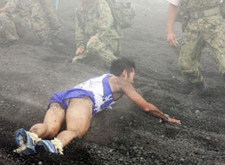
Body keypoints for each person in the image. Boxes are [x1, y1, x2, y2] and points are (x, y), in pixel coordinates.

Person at [14, 58, 181, 155]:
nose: (133, 80)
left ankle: (30, 138)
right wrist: (165, 117)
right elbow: (145, 107)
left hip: (62, 97)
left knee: (49, 128)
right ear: (125, 72)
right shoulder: (121, 82)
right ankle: (54, 146)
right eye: (133, 75)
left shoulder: (103, 79)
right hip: (83, 99)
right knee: (75, 131)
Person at [166, 0, 225, 93]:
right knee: (186, 66)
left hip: (215, 24)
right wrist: (170, 32)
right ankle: (202, 89)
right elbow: (173, 6)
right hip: (193, 25)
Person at [72, 0, 121, 65]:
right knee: (77, 60)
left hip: (109, 39)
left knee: (92, 44)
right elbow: (79, 31)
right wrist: (81, 46)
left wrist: (98, 36)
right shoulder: (79, 11)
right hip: (93, 44)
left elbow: (107, 21)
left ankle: (119, 66)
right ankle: (107, 59)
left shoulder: (100, 3)